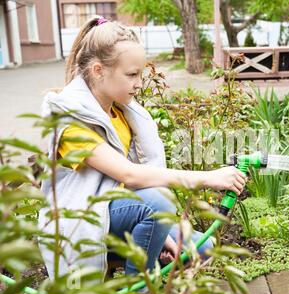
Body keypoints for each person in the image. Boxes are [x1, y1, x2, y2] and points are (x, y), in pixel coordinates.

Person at [37, 16, 247, 279]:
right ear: (98, 70)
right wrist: (209, 178)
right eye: (132, 75)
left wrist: (164, 231)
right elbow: (130, 175)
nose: (139, 83)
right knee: (157, 205)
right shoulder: (69, 122)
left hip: (121, 212)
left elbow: (145, 181)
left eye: (141, 74)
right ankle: (141, 290)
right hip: (82, 218)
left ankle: (146, 271)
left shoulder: (123, 113)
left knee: (202, 246)